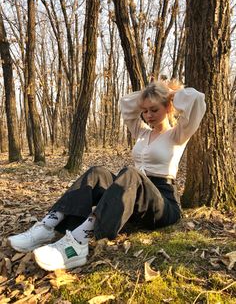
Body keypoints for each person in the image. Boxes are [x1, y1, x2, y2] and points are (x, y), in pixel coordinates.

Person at [8, 80, 206, 271]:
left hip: (163, 203)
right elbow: (126, 104)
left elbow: (196, 100)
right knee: (97, 172)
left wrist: (168, 93)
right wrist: (149, 94)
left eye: (154, 110)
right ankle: (48, 226)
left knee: (130, 172)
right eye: (145, 111)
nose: (148, 115)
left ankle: (79, 241)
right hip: (132, 196)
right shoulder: (142, 133)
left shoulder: (178, 134)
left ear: (168, 108)